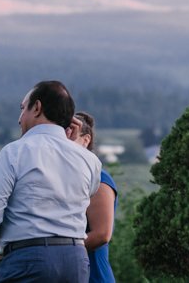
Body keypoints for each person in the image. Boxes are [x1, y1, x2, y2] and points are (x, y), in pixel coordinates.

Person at [0, 80, 102, 283]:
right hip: (75, 261)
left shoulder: (15, 152)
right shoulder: (89, 160)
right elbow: (83, 196)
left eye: (22, 108)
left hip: (28, 259)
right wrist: (72, 146)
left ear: (37, 108)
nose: (19, 118)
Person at [68, 112, 116, 283]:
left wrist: (60, 250)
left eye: (70, 135)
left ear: (86, 140)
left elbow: (101, 234)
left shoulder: (100, 179)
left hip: (93, 275)